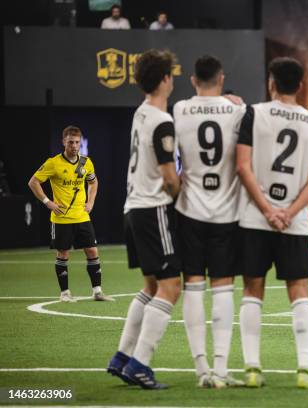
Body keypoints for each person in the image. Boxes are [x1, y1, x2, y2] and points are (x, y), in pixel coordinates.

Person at [236, 57, 308, 389]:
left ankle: (252, 370)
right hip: (295, 222)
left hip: (254, 218)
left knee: (252, 289)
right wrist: (288, 213)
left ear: (271, 82)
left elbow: (242, 166)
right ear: (301, 85)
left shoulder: (254, 113)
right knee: (300, 291)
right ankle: (305, 371)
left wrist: (266, 209)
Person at [107, 49, 181, 389]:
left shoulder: (141, 113)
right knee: (170, 286)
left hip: (132, 208)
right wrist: (185, 200)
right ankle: (139, 364)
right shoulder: (161, 121)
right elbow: (168, 177)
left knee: (150, 286)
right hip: (153, 210)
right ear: (165, 79)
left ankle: (122, 357)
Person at [173, 55, 245, 388]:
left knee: (193, 287)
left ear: (192, 80)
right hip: (226, 213)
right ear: (221, 77)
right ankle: (220, 369)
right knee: (222, 289)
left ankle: (201, 369)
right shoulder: (237, 111)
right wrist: (235, 102)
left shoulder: (179, 110)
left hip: (189, 210)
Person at [28, 126, 113, 303]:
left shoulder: (85, 162)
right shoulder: (53, 163)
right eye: (70, 142)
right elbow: (33, 182)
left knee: (92, 251)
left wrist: (90, 202)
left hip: (82, 217)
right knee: (63, 254)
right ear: (63, 142)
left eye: (77, 142)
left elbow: (93, 182)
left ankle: (97, 291)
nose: (74, 146)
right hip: (61, 218)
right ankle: (65, 293)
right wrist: (47, 202)